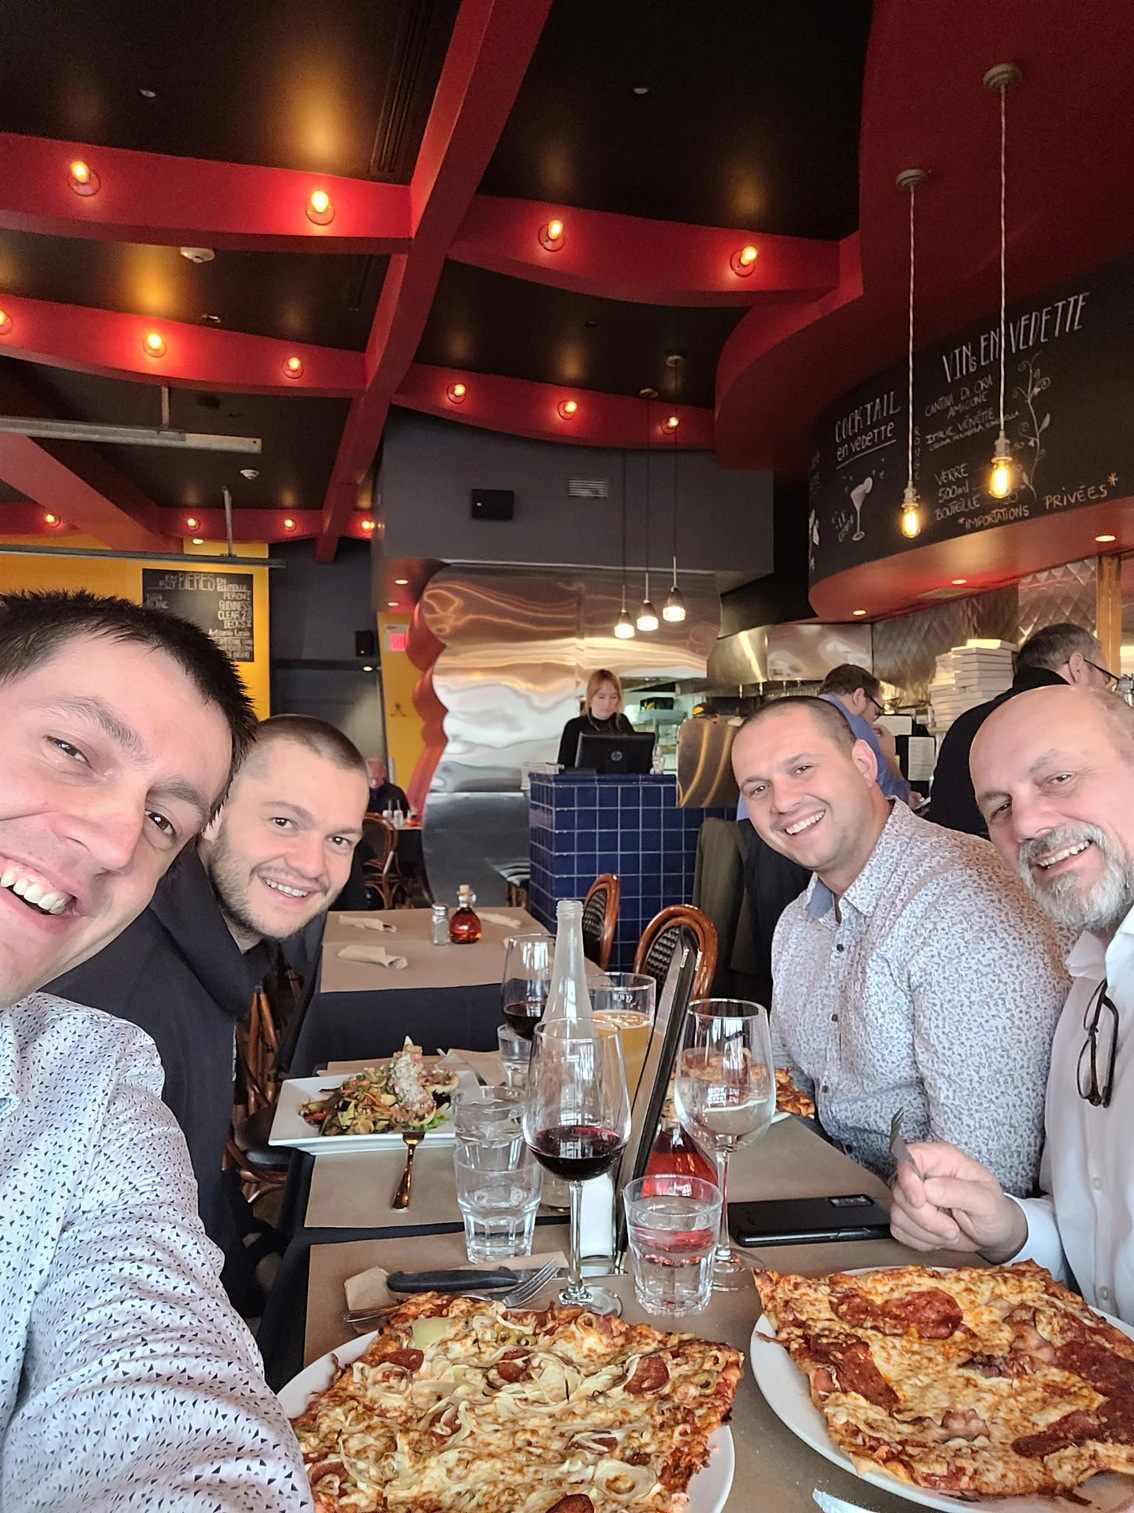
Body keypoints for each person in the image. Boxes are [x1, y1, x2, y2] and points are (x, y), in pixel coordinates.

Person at [0, 590, 308, 1509]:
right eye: (71, 750)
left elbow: (152, 1379)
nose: (112, 838)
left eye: (163, 818)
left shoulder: (89, 1085)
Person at [51, 714, 370, 1286]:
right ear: (213, 815)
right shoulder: (119, 1000)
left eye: (338, 839)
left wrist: (253, 1252)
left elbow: (191, 1178)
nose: (312, 866)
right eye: (283, 821)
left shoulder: (215, 958)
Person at [733, 695, 1067, 1192]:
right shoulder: (797, 923)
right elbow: (787, 1096)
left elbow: (984, 1183)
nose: (781, 802)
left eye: (801, 768)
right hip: (826, 1198)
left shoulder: (964, 907)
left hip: (936, 1251)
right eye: (758, 788)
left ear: (863, 764)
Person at [891, 685, 1134, 1322]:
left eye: (1058, 777)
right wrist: (1007, 1226)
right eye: (998, 808)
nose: (1025, 824)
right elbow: (1100, 1246)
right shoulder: (1090, 985)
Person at [929, 623, 1114, 837]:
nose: (1104, 689)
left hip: (957, 860)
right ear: (1077, 666)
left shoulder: (966, 722)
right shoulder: (1077, 720)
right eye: (1105, 678)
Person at [817, 663, 911, 804]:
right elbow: (892, 797)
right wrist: (889, 756)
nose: (873, 721)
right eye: (876, 711)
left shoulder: (805, 714)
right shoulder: (855, 726)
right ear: (859, 696)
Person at [557, 668, 635, 768]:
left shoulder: (622, 723)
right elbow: (563, 768)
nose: (607, 703)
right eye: (601, 697)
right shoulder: (574, 727)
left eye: (613, 697)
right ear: (590, 698)